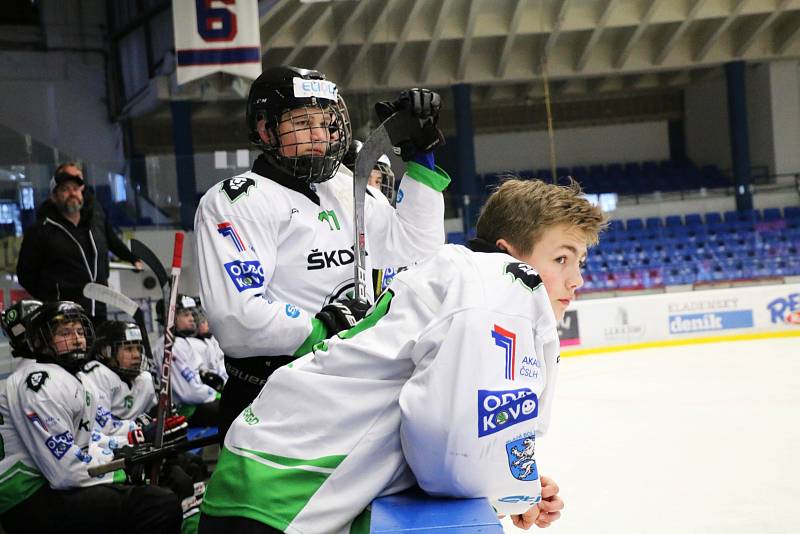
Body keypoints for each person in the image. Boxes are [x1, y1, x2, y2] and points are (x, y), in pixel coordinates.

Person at [197, 178, 603, 533]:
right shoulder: (501, 284)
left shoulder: (464, 275)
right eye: (561, 258)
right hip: (283, 494)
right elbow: (445, 446)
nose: (576, 279)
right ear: (508, 252)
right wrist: (512, 490)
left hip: (266, 477)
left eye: (579, 262)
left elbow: (455, 438)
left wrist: (515, 482)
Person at [194, 65, 450, 436]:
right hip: (272, 399)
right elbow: (238, 318)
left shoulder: (343, 187)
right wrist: (326, 329)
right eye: (301, 123)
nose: (318, 135)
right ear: (266, 129)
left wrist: (420, 159)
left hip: (350, 388)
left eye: (325, 123)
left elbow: (413, 249)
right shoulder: (238, 200)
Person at [3, 300, 182, 533]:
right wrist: (120, 467)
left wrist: (134, 441)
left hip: (54, 481)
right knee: (157, 504)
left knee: (167, 481)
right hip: (25, 496)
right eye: (65, 333)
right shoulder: (38, 383)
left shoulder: (76, 378)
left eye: (80, 331)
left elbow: (88, 439)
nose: (77, 339)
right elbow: (64, 471)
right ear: (43, 340)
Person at [16, 162, 144, 323]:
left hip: (97, 310)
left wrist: (132, 257)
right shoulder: (40, 230)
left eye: (75, 188)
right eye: (65, 189)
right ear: (54, 197)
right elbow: (25, 274)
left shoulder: (94, 221)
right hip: (63, 315)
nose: (72, 193)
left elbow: (111, 240)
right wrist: (51, 299)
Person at [153, 295, 220, 427]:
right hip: (184, 411)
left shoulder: (182, 342)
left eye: (191, 314)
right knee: (234, 408)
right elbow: (188, 393)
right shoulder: (169, 345)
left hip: (197, 403)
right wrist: (216, 395)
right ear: (170, 318)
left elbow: (199, 375)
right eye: (185, 315)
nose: (191, 319)